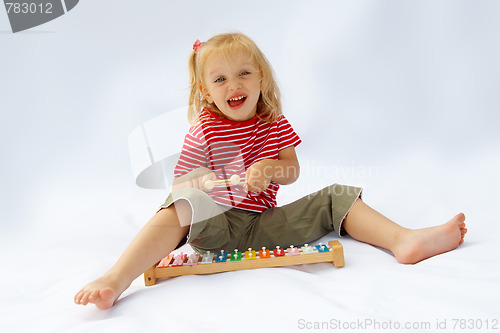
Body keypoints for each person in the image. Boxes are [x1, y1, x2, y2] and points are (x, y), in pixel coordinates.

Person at [74, 32, 467, 309]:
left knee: (335, 194)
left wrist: (272, 170)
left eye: (244, 73)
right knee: (182, 199)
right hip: (218, 227)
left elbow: (292, 170)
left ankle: (402, 240)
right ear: (207, 92)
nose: (235, 84)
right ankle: (116, 278)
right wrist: (206, 180)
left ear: (261, 78)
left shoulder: (273, 122)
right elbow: (181, 184)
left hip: (264, 224)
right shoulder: (205, 129)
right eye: (221, 79)